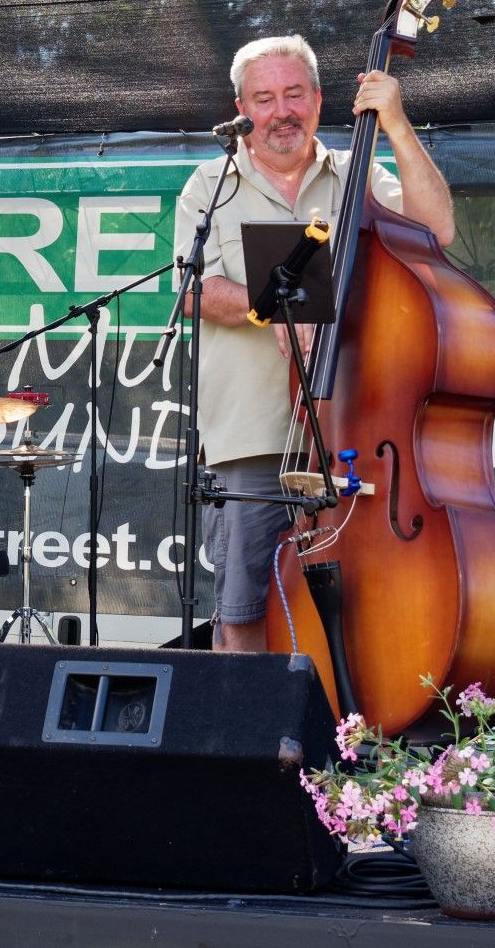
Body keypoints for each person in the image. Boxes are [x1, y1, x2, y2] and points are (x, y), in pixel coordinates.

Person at [173, 35, 454, 654]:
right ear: (242, 108)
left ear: (319, 100)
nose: (282, 111)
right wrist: (268, 306)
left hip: (353, 435)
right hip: (252, 436)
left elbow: (437, 232)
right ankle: (244, 722)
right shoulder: (209, 183)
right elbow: (193, 291)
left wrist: (396, 124)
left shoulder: (358, 175)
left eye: (294, 94)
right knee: (243, 611)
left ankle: (344, 719)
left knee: (362, 611)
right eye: (265, 98)